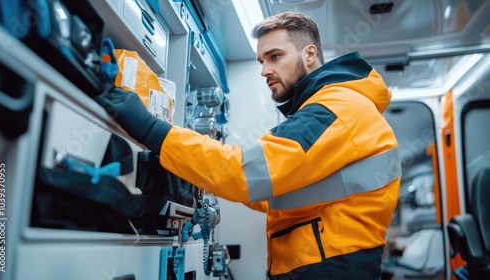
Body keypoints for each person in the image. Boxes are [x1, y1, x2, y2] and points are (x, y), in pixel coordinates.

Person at [96, 11, 401, 280]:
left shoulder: (335, 108)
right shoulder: (339, 107)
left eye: (275, 56)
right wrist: (201, 171)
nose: (265, 70)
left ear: (309, 54)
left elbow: (246, 173)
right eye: (261, 60)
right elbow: (275, 193)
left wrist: (152, 129)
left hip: (330, 269)